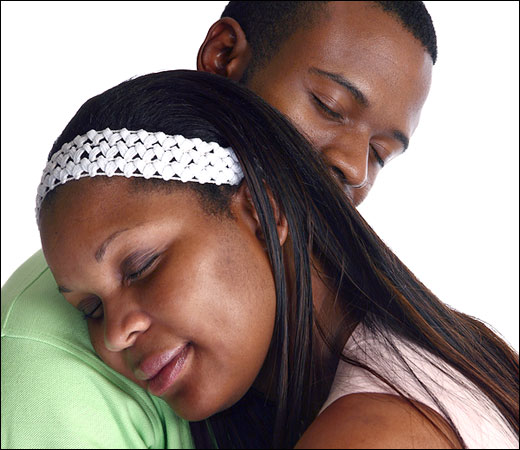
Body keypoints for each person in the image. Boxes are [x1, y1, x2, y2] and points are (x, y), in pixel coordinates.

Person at [2, 1, 438, 448]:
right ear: (223, 56)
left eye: (380, 154)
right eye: (328, 106)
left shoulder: (378, 408)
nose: (354, 168)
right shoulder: (52, 360)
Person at [36, 69, 519, 449]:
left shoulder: (377, 432)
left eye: (141, 266)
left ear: (263, 210)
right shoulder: (408, 366)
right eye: (91, 309)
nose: (115, 334)